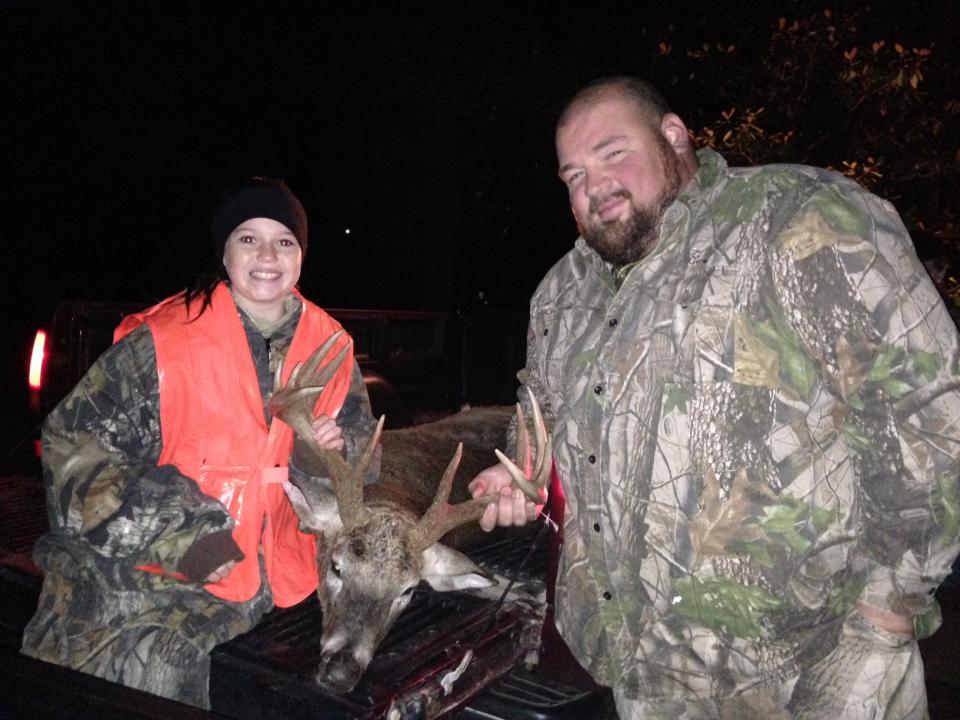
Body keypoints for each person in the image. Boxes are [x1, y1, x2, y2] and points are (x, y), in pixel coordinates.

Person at [470, 76, 960, 719]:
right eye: (574, 175)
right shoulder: (561, 294)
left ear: (674, 136)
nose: (594, 185)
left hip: (815, 663)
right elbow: (538, 414)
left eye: (613, 153)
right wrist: (520, 472)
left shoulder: (795, 215)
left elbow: (930, 413)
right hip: (645, 676)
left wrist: (885, 615)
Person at [21, 178, 378, 708]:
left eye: (284, 241)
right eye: (248, 239)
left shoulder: (332, 345)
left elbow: (365, 460)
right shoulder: (164, 342)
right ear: (224, 252)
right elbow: (74, 451)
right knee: (150, 670)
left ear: (302, 255)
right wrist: (188, 538)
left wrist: (328, 454)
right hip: (164, 569)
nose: (267, 256)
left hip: (286, 578)